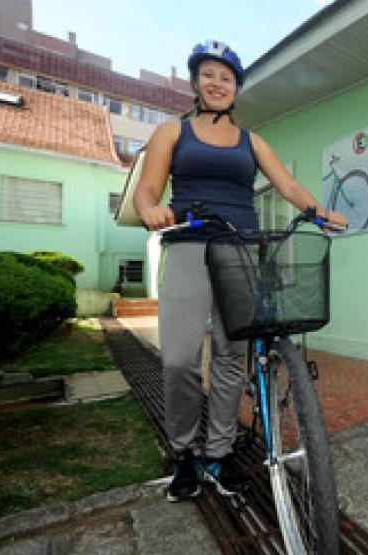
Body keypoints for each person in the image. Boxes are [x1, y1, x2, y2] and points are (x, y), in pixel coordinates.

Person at [133, 40, 346, 502]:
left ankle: (219, 452)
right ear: (195, 83)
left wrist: (320, 212)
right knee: (179, 360)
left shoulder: (252, 141)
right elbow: (147, 191)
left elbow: (286, 185)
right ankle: (185, 454)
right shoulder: (172, 132)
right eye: (208, 74)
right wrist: (151, 209)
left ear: (236, 89)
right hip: (189, 245)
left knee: (232, 358)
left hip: (240, 251)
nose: (216, 83)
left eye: (226, 77)